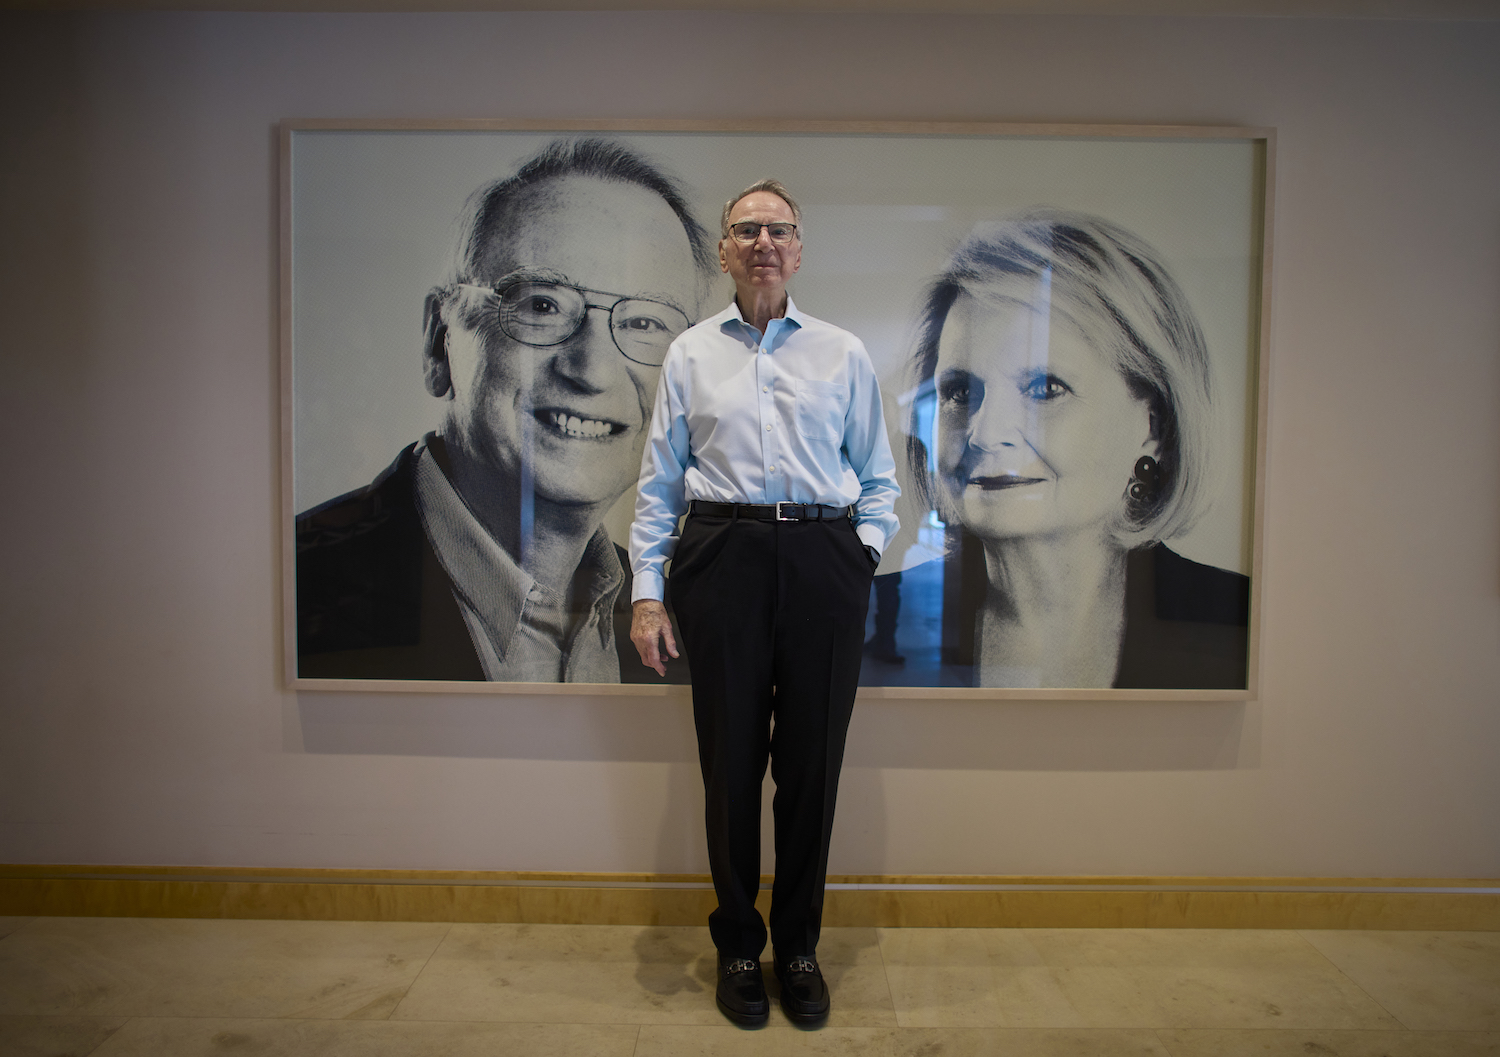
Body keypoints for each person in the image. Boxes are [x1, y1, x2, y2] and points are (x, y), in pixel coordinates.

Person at [629, 180, 899, 1027]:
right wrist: (647, 596)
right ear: (724, 250)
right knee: (732, 765)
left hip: (823, 558)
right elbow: (658, 486)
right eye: (746, 229)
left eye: (779, 228)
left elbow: (882, 481)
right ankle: (741, 946)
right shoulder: (689, 354)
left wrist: (855, 557)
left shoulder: (842, 353)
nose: (763, 242)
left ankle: (801, 947)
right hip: (722, 557)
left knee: (811, 771)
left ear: (800, 246)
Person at [296, 139, 713, 682]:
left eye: (644, 324)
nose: (592, 371)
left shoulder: (685, 614)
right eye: (541, 305)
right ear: (439, 342)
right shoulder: (297, 585)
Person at [907, 209, 1249, 689]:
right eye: (960, 393)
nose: (984, 434)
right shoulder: (869, 622)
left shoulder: (1239, 625)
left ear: (1153, 425)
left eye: (1044, 389)